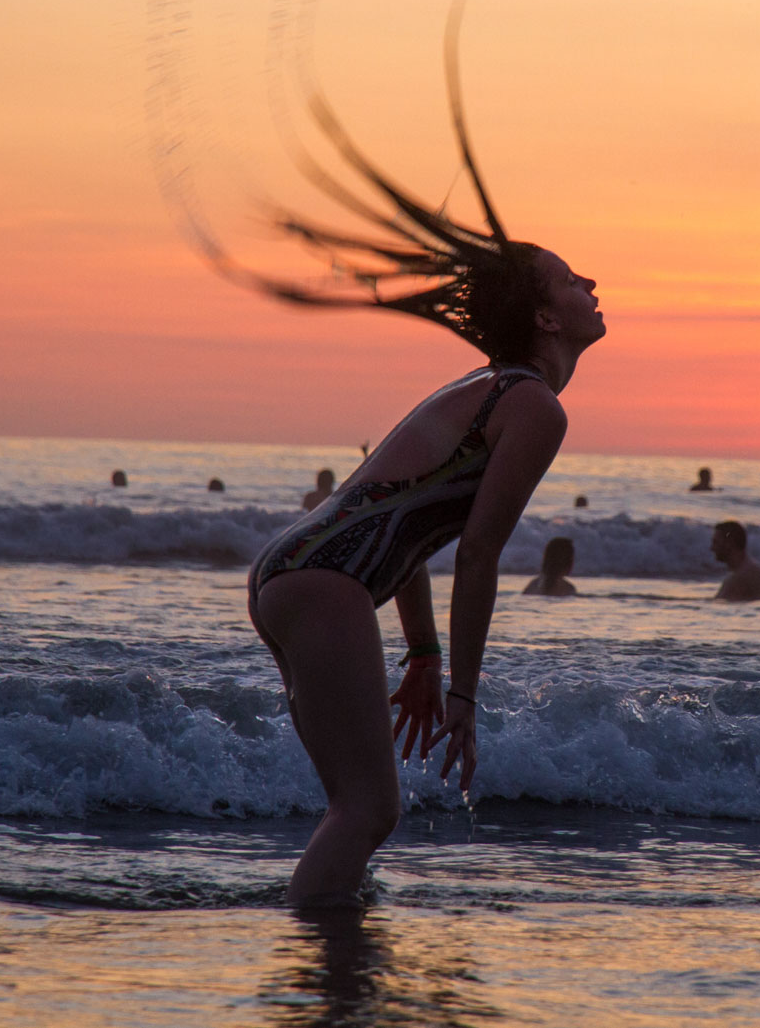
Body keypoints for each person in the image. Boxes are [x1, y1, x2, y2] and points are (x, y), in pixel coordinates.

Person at [240, 95, 606, 908]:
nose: (590, 282)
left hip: (294, 573)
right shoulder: (533, 405)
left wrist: (424, 655)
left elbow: (396, 515)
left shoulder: (483, 388)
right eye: (570, 277)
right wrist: (464, 697)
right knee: (369, 809)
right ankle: (316, 962)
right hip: (325, 583)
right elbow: (475, 552)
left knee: (355, 808)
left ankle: (328, 947)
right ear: (546, 315)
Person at [710, 520, 760, 601]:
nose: (712, 548)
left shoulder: (739, 577)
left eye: (716, 542)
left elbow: (719, 602)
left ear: (729, 544)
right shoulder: (756, 569)